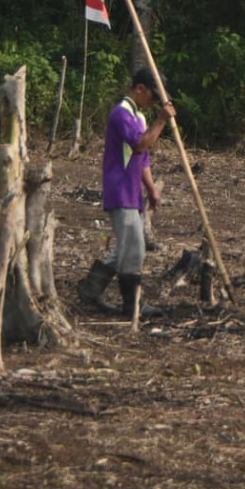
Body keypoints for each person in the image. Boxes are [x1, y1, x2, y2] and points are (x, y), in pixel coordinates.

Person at [79, 68, 176, 319]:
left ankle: (92, 289)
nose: (154, 103)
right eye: (153, 97)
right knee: (134, 248)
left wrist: (152, 189)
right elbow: (140, 144)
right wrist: (162, 120)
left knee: (130, 246)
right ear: (140, 89)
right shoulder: (120, 114)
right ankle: (132, 306)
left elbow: (143, 159)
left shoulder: (140, 118)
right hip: (120, 189)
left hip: (132, 191)